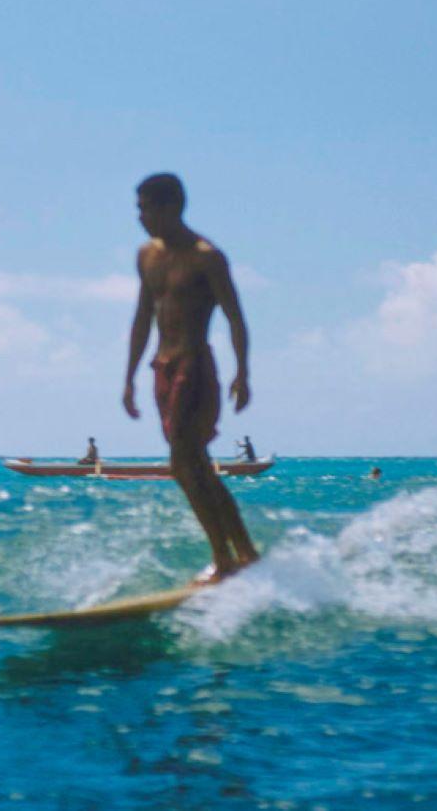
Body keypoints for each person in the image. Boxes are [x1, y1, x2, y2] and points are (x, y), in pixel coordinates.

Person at [123, 173, 260, 582]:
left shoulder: (207, 257)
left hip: (194, 366)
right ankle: (243, 552)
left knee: (184, 463)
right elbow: (142, 316)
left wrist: (242, 372)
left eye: (145, 208)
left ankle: (224, 559)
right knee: (191, 465)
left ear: (169, 208)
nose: (141, 217)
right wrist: (129, 377)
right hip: (161, 368)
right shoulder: (146, 256)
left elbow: (236, 317)